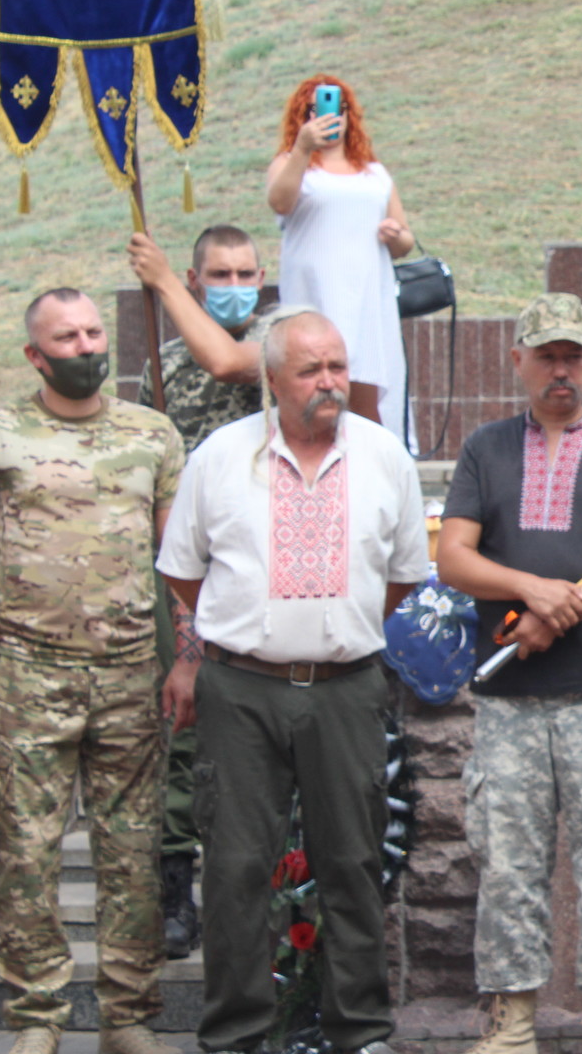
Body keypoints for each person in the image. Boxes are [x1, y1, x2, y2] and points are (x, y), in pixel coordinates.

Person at [156, 309, 428, 1054]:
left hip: (346, 689)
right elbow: (183, 570)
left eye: (337, 366)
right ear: (271, 380)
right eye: (310, 371)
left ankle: (360, 1033)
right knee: (239, 868)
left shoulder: (383, 458)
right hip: (241, 691)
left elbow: (402, 577)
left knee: (352, 861)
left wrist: (330, 629)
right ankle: (236, 1036)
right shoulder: (219, 457)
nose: (328, 383)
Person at [436, 294, 582, 1054]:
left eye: (575, 355)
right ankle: (510, 1022)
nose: (562, 370)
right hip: (510, 697)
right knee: (507, 864)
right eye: (547, 355)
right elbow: (453, 555)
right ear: (518, 359)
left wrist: (567, 610)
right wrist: (531, 591)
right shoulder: (486, 447)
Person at [0, 289, 187, 1054]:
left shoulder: (152, 434)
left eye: (93, 331)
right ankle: (38, 1018)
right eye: (65, 338)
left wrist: (191, 659)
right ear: (36, 356)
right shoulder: (2, 431)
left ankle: (126, 1017)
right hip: (25, 674)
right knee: (26, 850)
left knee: (131, 852)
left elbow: (182, 569)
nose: (84, 347)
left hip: (130, 674)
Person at [126, 225, 269, 961]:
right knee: (179, 724)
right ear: (197, 274)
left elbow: (228, 363)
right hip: (185, 565)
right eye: (220, 272)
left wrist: (162, 285)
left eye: (247, 270)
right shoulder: (164, 364)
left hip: (263, 569)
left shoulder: (279, 342)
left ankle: (254, 889)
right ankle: (174, 883)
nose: (235, 283)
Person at [265, 74, 415, 427]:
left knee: (368, 385)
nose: (331, 118)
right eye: (314, 111)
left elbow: (405, 240)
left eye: (338, 109)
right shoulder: (290, 162)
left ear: (351, 116)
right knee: (313, 381)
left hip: (366, 296)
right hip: (316, 294)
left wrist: (394, 236)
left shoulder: (374, 173)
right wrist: (303, 149)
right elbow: (279, 202)